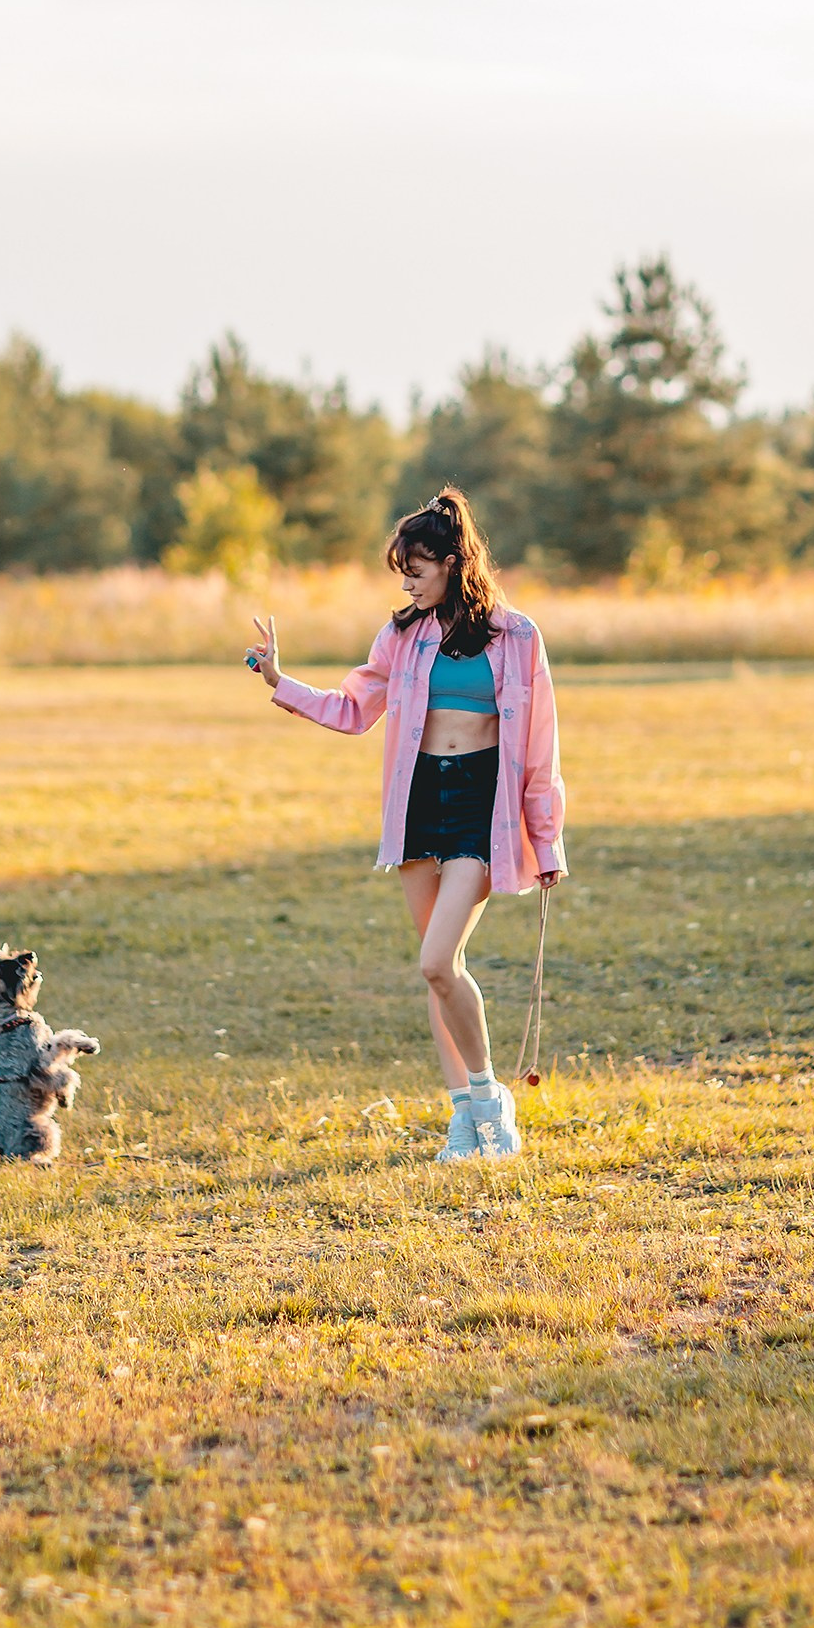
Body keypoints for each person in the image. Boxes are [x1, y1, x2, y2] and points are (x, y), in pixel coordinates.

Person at [245, 485, 566, 1161]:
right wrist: (280, 679)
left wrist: (548, 839)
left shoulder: (517, 637)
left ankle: (490, 1101)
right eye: (403, 572)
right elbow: (354, 708)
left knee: (436, 960)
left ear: (452, 561)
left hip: (484, 808)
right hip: (420, 802)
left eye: (417, 568)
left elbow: (540, 748)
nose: (409, 582)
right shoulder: (402, 636)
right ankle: (463, 1118)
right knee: (437, 973)